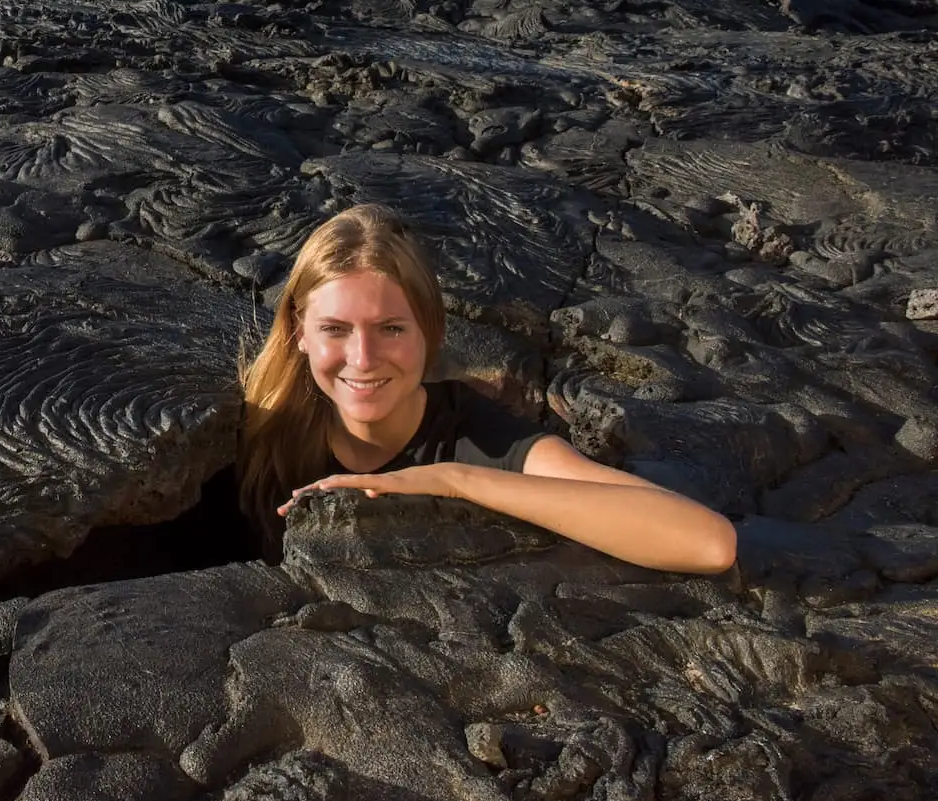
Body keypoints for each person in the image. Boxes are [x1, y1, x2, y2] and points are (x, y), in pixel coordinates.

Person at [233, 202, 737, 573]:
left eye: (391, 328)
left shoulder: (481, 437)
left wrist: (454, 480)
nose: (362, 359)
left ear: (430, 331)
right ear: (299, 332)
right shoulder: (265, 426)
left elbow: (708, 543)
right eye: (335, 329)